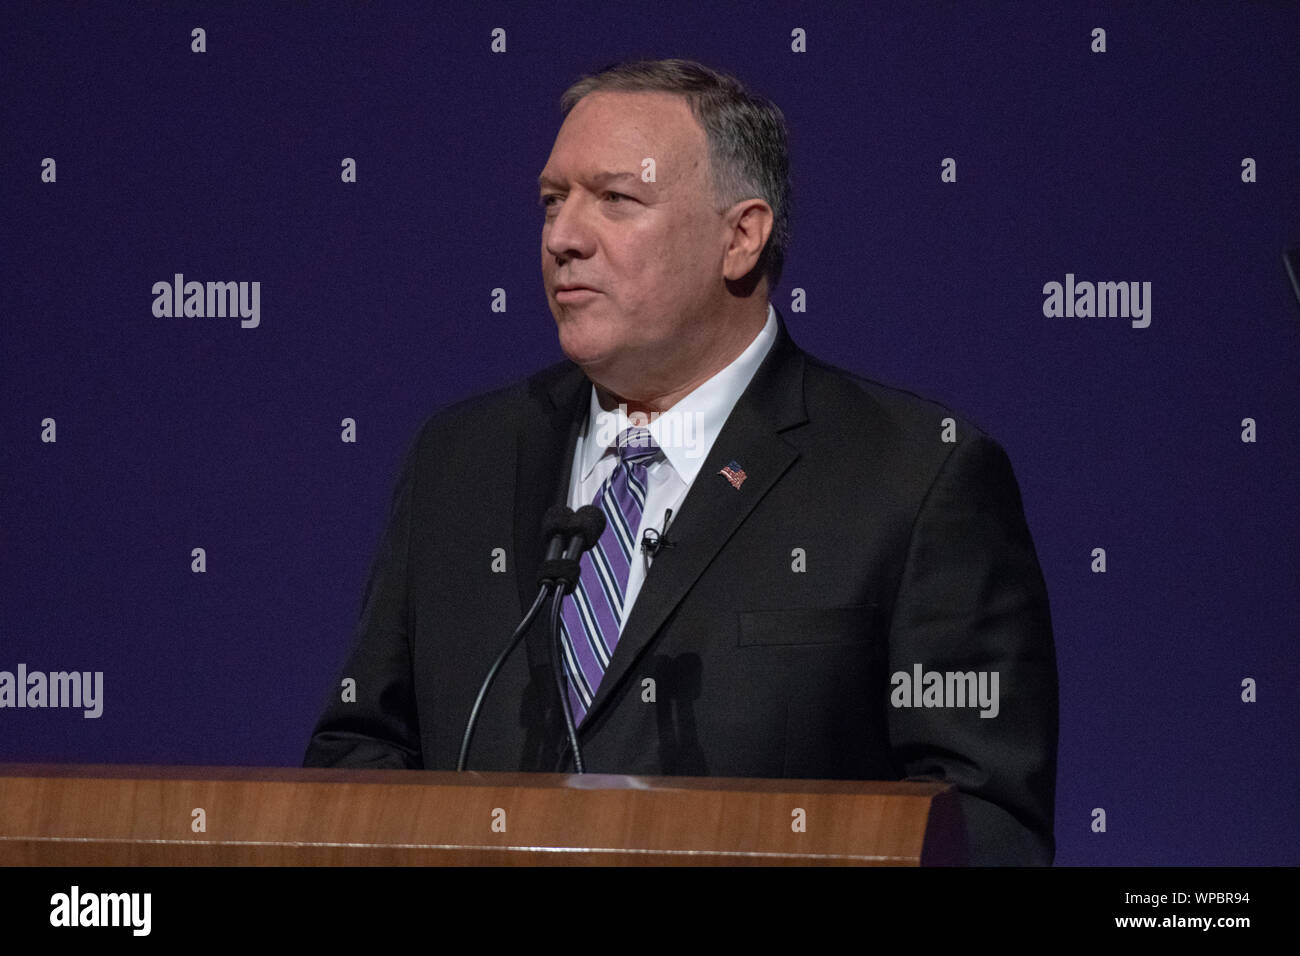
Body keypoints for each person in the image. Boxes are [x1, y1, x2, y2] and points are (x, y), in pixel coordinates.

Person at [304, 58, 1059, 866]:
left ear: (740, 237)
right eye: (552, 202)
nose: (562, 237)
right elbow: (362, 750)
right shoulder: (461, 459)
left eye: (616, 199)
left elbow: (982, 827)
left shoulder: (915, 476)